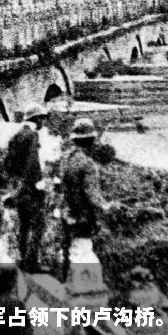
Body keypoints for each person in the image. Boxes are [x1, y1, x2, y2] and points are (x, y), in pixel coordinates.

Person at [60, 117, 106, 282]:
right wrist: (102, 212)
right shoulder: (88, 164)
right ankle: (85, 287)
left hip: (67, 212)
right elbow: (92, 196)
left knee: (70, 251)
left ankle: (68, 282)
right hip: (83, 216)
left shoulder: (66, 159)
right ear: (91, 140)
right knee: (84, 251)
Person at [4, 103, 47, 273]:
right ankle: (32, 263)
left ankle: (22, 259)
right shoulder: (32, 135)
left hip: (18, 188)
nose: (44, 122)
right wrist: (32, 185)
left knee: (23, 224)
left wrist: (15, 186)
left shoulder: (16, 136)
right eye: (42, 118)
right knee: (38, 225)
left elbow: (8, 164)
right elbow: (31, 164)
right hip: (30, 189)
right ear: (36, 119)